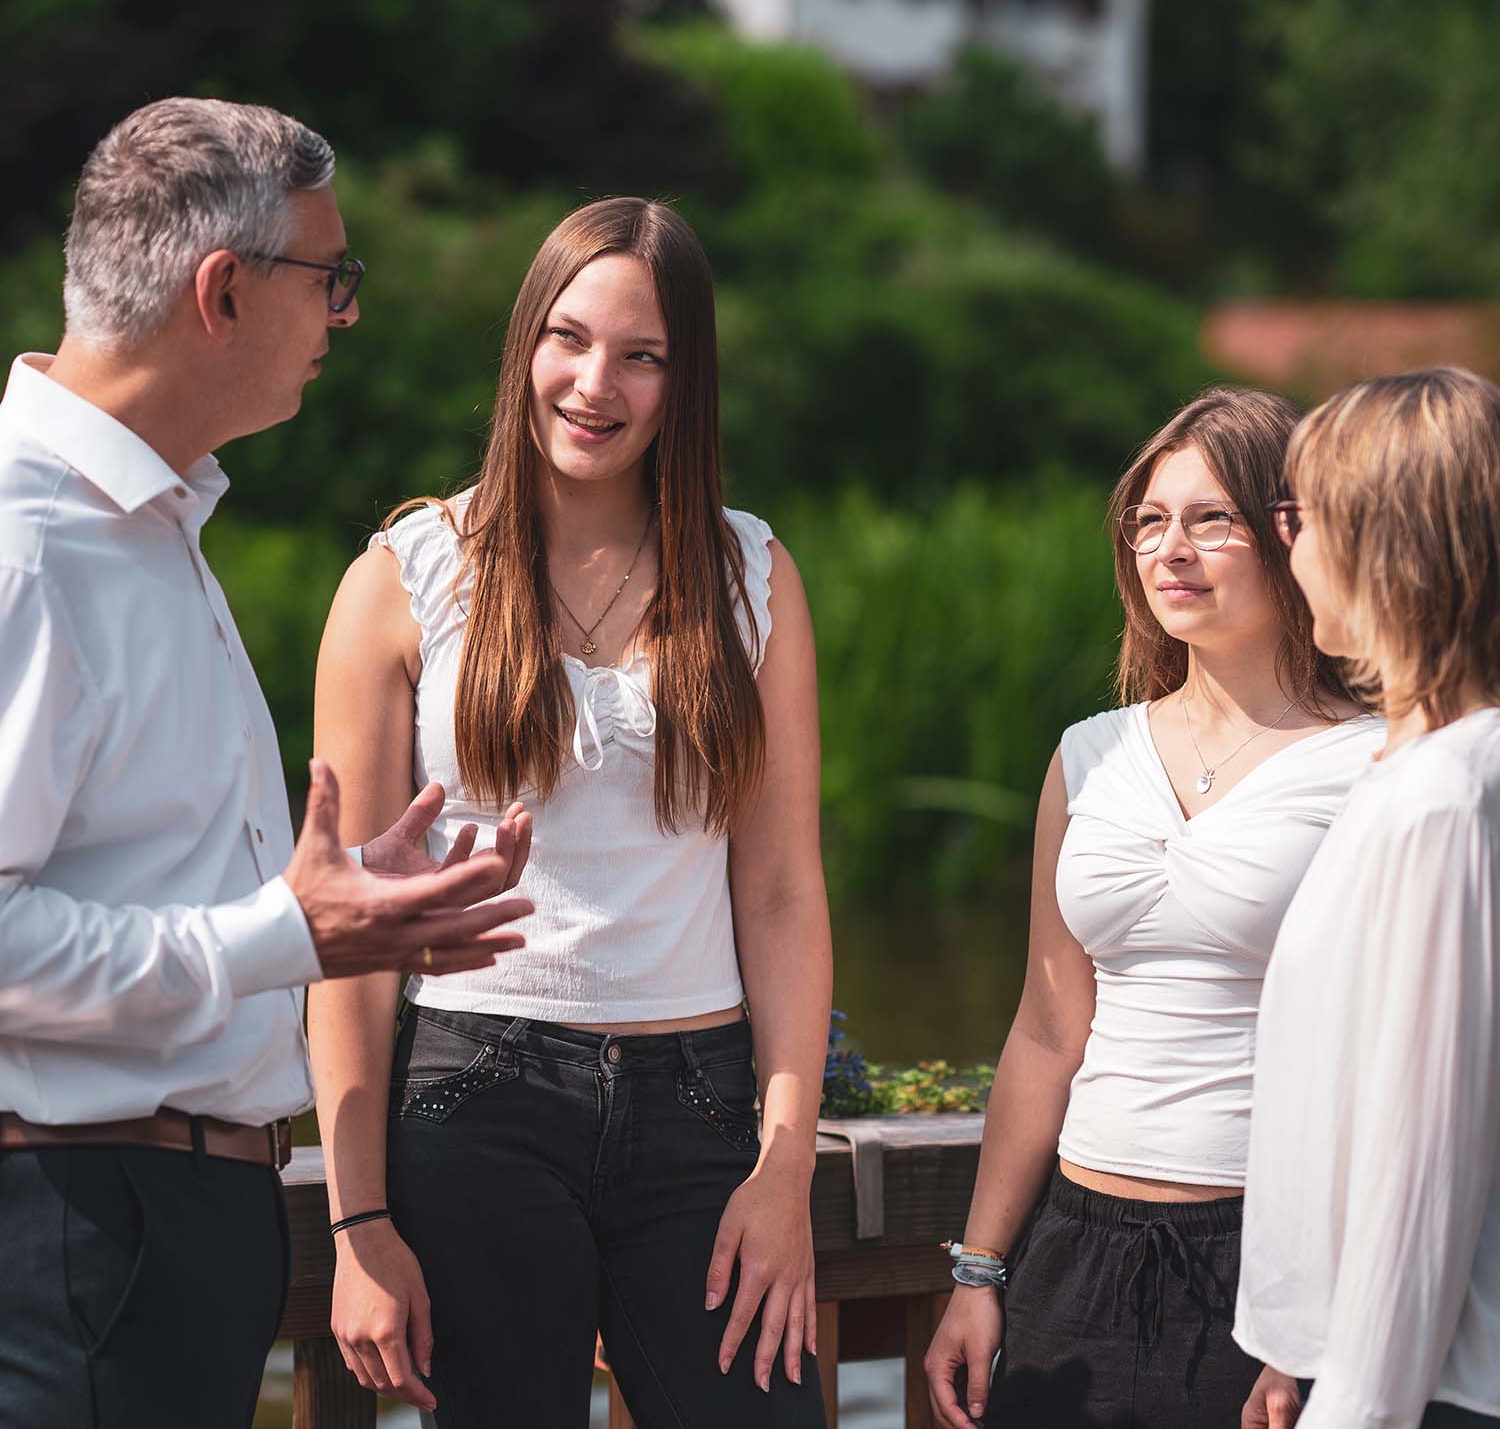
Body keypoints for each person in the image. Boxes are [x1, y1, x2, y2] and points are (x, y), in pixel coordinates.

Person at [0, 97, 535, 1429]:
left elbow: (136, 867)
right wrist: (279, 934)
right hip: (82, 1226)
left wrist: (347, 914)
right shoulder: (31, 549)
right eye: (330, 279)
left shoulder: (141, 524)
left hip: (157, 1227)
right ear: (223, 292)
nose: (344, 315)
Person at [308, 196, 832, 1427]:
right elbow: (349, 930)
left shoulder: (752, 572)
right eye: (569, 337)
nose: (596, 383)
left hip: (705, 1108)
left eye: (642, 355)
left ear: (684, 378)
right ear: (523, 348)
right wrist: (358, 1217)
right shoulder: (407, 575)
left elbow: (782, 889)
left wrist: (785, 1159)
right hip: (472, 1098)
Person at [924, 387, 1383, 1429]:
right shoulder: (1090, 753)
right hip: (1073, 1247)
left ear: (1292, 533)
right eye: (1149, 520)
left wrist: (1323, 1324)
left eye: (1210, 518)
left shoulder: (1375, 760)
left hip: (1265, 1264)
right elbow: (1048, 1028)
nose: (1170, 548)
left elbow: (1386, 1062)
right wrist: (979, 1269)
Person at [1236, 367, 1500, 1429]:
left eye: (1300, 516)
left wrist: (1354, 1408)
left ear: (1383, 540)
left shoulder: (1447, 796)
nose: (1287, 546)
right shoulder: (1415, 771)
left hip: (1430, 1392)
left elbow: (1421, 1165)